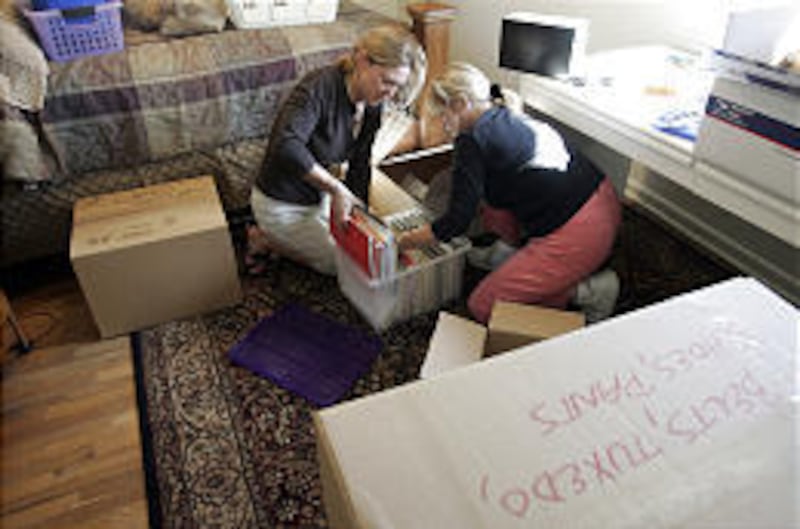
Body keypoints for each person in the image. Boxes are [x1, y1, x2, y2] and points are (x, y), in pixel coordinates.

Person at [398, 62, 622, 324]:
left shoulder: (471, 142)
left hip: (579, 233)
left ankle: (591, 291)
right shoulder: (503, 111)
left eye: (441, 114)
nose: (442, 123)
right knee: (492, 189)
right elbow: (491, 192)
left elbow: (457, 220)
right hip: (602, 201)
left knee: (484, 306)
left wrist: (405, 241)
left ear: (460, 104)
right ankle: (506, 251)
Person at [248, 24, 427, 275]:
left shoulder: (373, 103)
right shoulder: (318, 88)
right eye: (387, 81)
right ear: (362, 59)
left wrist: (362, 217)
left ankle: (289, 240)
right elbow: (285, 145)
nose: (390, 93)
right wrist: (337, 189)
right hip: (281, 204)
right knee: (347, 266)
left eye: (397, 86)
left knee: (366, 252)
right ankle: (266, 240)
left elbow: (360, 164)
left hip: (319, 198)